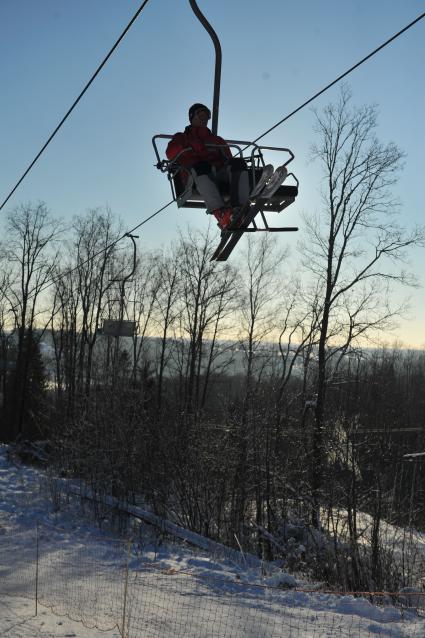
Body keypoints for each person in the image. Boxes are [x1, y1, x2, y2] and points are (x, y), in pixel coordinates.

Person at [167, 103, 268, 230]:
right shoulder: (181, 137)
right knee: (202, 166)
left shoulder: (216, 140)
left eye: (206, 116)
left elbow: (228, 158)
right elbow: (170, 153)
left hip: (218, 172)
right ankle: (221, 214)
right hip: (193, 175)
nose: (204, 118)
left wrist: (230, 164)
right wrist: (189, 143)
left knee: (238, 163)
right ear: (192, 117)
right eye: (200, 115)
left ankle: (238, 208)